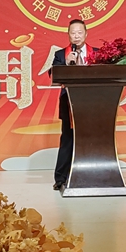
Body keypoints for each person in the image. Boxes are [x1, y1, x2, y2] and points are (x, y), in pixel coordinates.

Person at [50, 19, 96, 190]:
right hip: (68, 102)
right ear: (68, 34)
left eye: (79, 32)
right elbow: (52, 74)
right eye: (73, 33)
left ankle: (94, 174)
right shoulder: (61, 54)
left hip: (94, 103)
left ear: (86, 34)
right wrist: (66, 64)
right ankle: (61, 178)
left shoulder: (97, 53)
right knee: (68, 139)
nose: (76, 36)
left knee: (93, 138)